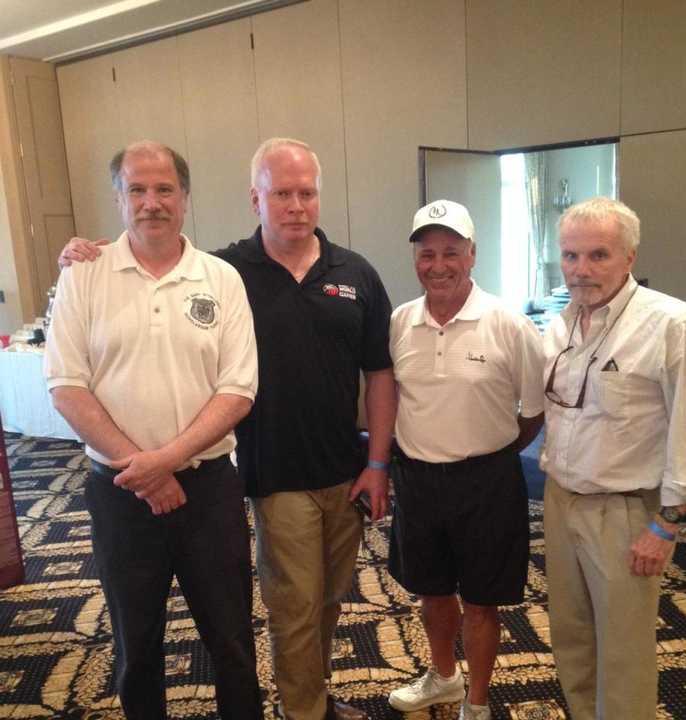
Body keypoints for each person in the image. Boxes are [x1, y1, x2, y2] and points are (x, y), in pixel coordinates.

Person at [58, 137, 396, 720]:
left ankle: (310, 696)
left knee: (294, 615)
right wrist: (149, 468)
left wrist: (377, 464)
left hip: (317, 474)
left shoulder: (341, 273)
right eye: (280, 193)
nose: (295, 204)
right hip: (236, 477)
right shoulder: (214, 270)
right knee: (248, 615)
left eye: (306, 193)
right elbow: (69, 384)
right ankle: (305, 708)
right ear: (255, 199)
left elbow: (364, 374)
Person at [45, 141, 263, 719]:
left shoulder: (220, 278)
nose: (151, 202)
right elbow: (66, 385)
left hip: (209, 490)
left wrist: (166, 460)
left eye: (164, 189)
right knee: (135, 645)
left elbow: (238, 389)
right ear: (118, 199)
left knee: (233, 641)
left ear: (185, 198)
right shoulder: (84, 275)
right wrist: (144, 471)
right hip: (120, 494)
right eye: (136, 190)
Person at [541, 197, 686, 720]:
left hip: (625, 513)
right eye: (570, 256)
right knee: (571, 640)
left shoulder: (668, 323)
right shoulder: (563, 323)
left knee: (623, 653)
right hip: (560, 501)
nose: (581, 270)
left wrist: (665, 524)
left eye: (598, 255)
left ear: (630, 257)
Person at [387, 200, 545, 720]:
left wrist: (489, 451)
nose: (439, 265)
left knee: (481, 601)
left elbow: (534, 411)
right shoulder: (399, 323)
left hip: (487, 483)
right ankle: (444, 678)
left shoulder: (508, 324)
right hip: (418, 481)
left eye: (451, 252)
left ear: (472, 255)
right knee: (431, 591)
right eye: (427, 253)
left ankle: (476, 703)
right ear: (415, 259)